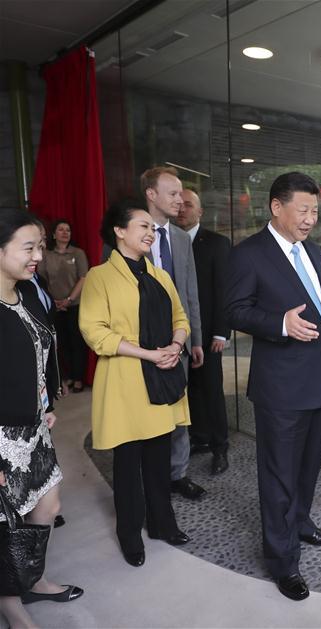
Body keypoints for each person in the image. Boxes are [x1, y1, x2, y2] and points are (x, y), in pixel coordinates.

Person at [225, 171, 321, 601]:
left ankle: (301, 523)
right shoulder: (249, 255)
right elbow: (234, 311)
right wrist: (279, 323)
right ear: (276, 207)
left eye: (315, 211)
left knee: (307, 467)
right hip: (280, 389)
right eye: (303, 210)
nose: (310, 219)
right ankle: (283, 561)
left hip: (320, 381)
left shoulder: (314, 251)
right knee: (278, 475)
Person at [79, 199, 192, 568]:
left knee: (158, 462)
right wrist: (149, 353)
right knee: (128, 469)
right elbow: (95, 333)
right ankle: (129, 535)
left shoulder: (159, 275)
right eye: (142, 226)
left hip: (161, 378)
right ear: (119, 231)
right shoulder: (100, 276)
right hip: (126, 383)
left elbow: (181, 316)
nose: (149, 233)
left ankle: (162, 524)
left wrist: (175, 346)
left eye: (150, 227)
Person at [0, 210, 83, 629]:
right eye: (28, 247)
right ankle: (12, 604)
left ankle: (33, 579)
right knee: (7, 522)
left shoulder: (27, 292)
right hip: (1, 437)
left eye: (40, 246)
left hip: (33, 427)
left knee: (47, 505)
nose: (38, 255)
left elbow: (39, 354)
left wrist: (46, 402)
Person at [141, 166, 207, 501]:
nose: (180, 200)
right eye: (172, 193)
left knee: (180, 411)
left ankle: (178, 474)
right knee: (147, 414)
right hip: (142, 346)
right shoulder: (130, 234)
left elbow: (190, 291)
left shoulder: (180, 238)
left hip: (179, 342)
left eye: (181, 194)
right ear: (151, 194)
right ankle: (149, 479)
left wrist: (194, 339)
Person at [175, 188, 232, 474]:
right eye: (179, 205)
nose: (182, 209)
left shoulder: (218, 244)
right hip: (177, 334)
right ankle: (199, 437)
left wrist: (222, 332)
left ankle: (220, 447)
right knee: (189, 390)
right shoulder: (168, 242)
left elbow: (225, 291)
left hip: (210, 334)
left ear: (200, 212)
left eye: (189, 205)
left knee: (211, 390)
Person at [39, 219, 89, 393]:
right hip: (53, 306)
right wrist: (53, 301)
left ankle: (78, 379)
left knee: (77, 343)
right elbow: (41, 279)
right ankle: (65, 378)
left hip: (75, 305)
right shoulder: (46, 254)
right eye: (61, 229)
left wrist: (68, 299)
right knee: (60, 344)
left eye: (68, 230)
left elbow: (84, 278)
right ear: (53, 234)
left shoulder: (78, 253)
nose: (65, 232)